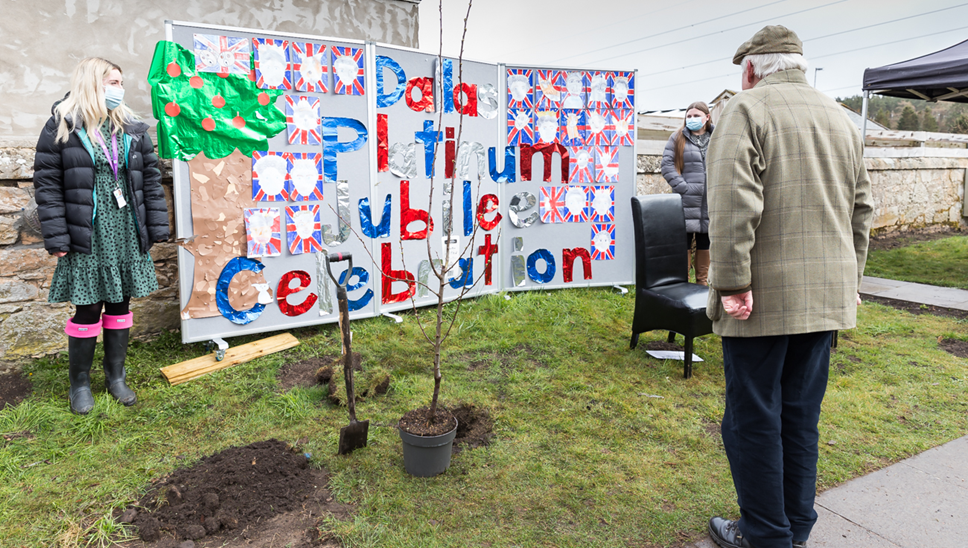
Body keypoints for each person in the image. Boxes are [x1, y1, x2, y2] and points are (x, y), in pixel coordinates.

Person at [704, 26, 873, 548]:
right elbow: (861, 209)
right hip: (826, 297)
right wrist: (849, 279)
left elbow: (733, 203)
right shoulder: (841, 118)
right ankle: (795, 527)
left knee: (752, 421)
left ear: (752, 69)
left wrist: (732, 281)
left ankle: (765, 536)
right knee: (801, 417)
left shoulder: (745, 110)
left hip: (761, 300)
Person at [33, 57, 169, 414]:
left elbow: (151, 182)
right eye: (111, 82)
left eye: (120, 83)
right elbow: (47, 187)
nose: (118, 89)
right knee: (88, 307)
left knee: (121, 302)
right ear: (92, 83)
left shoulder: (132, 128)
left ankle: (116, 376)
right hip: (87, 231)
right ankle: (79, 384)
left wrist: (156, 227)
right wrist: (58, 238)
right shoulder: (61, 127)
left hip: (125, 228)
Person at [661, 101, 714, 285]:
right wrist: (683, 187)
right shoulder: (677, 138)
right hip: (684, 201)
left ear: (707, 117)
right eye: (689, 116)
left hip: (710, 203)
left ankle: (702, 284)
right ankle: (682, 283)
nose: (691, 119)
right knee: (683, 243)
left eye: (696, 115)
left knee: (704, 243)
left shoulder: (717, 138)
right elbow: (667, 166)